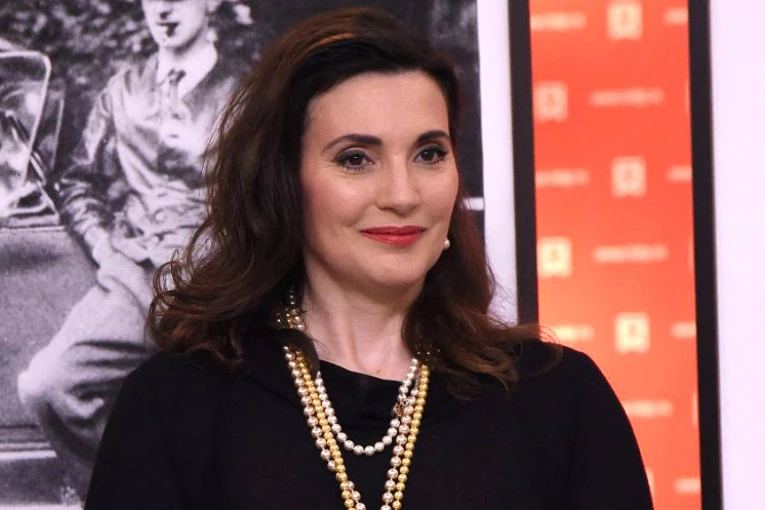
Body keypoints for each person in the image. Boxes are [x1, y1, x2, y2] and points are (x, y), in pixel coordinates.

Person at [85, 7, 653, 509]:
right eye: (356, 159)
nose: (403, 195)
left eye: (429, 153)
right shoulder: (175, 408)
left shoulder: (558, 399)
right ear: (283, 183)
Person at [16, 0, 243, 500]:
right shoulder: (122, 91)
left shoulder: (250, 94)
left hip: (218, 288)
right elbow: (77, 182)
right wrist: (103, 247)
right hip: (131, 279)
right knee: (47, 386)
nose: (163, 8)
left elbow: (273, 200)